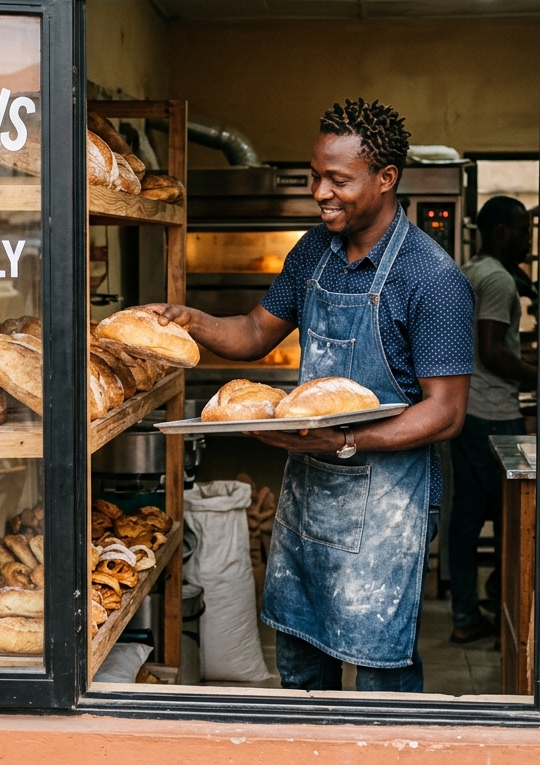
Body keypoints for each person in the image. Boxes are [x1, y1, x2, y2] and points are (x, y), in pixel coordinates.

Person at [145, 98, 475, 693]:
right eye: (316, 175)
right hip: (308, 494)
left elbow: (447, 412)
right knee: (300, 671)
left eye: (338, 180)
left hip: (385, 506)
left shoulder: (432, 278)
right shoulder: (312, 252)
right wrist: (189, 319)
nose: (320, 191)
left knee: (380, 677)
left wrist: (345, 439)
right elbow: (251, 334)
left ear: (386, 179)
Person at [447, 195, 538, 644]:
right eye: (523, 231)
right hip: (496, 415)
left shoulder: (472, 269)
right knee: (512, 519)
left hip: (466, 410)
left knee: (465, 516)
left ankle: (466, 614)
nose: (527, 239)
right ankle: (508, 621)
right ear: (502, 231)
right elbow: (492, 349)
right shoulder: (499, 282)